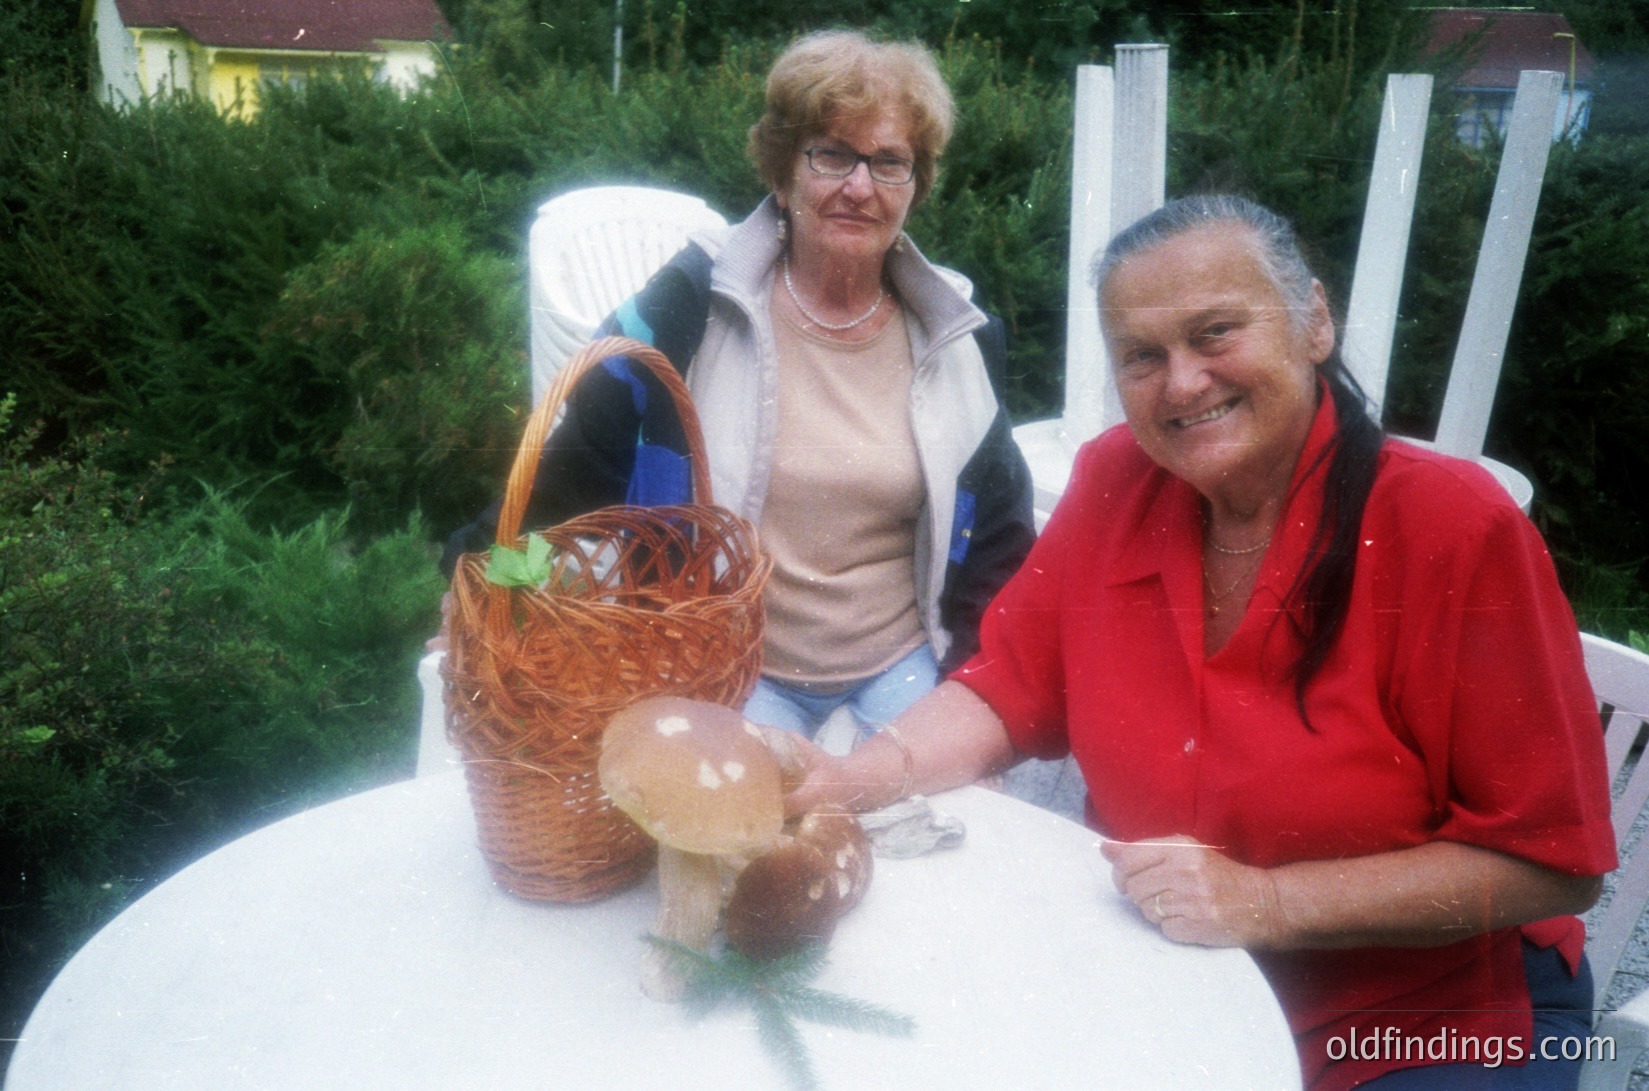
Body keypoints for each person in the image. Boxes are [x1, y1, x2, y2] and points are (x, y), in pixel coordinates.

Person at [782, 194, 1617, 1090]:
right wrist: (848, 777)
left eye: (1215, 333)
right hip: (1171, 977)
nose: (1180, 382)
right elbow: (1007, 685)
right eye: (1142, 356)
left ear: (1314, 323)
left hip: (1418, 1022)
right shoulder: (1115, 482)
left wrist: (1265, 901)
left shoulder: (1450, 527)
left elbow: (1548, 866)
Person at [440, 30, 1035, 742]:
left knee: (937, 828)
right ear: (782, 173)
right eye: (831, 154)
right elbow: (578, 454)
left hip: (902, 662)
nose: (858, 186)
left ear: (915, 186)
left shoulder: (957, 336)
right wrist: (477, 578)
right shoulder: (692, 302)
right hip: (734, 664)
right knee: (741, 838)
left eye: (889, 163)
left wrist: (971, 677)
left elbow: (1000, 534)